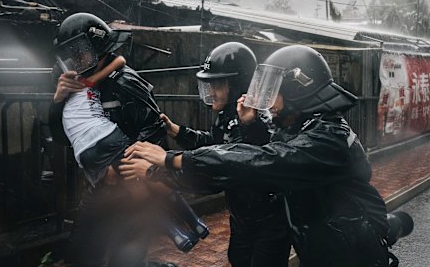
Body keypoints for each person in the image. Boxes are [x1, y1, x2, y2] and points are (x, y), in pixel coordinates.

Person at [123, 45, 391, 267]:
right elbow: (247, 153)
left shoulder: (325, 138)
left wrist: (172, 160)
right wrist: (248, 126)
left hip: (352, 254)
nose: (267, 103)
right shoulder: (298, 127)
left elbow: (257, 161)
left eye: (273, 93)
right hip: (323, 247)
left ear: (297, 91)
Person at [120, 42, 291, 267]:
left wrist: (159, 170)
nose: (211, 92)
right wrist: (178, 131)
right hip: (242, 217)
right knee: (238, 259)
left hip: (269, 221)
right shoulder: (227, 115)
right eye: (208, 85)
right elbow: (214, 145)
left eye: (217, 85)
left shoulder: (252, 118)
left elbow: (223, 169)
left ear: (237, 83)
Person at [49, 13, 170, 267]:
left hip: (133, 189)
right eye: (72, 52)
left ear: (96, 46)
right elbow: (61, 137)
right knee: (81, 252)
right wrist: (57, 101)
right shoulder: (74, 84)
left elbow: (155, 131)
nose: (77, 58)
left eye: (80, 51)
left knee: (125, 259)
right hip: (101, 189)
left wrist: (119, 167)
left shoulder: (126, 80)